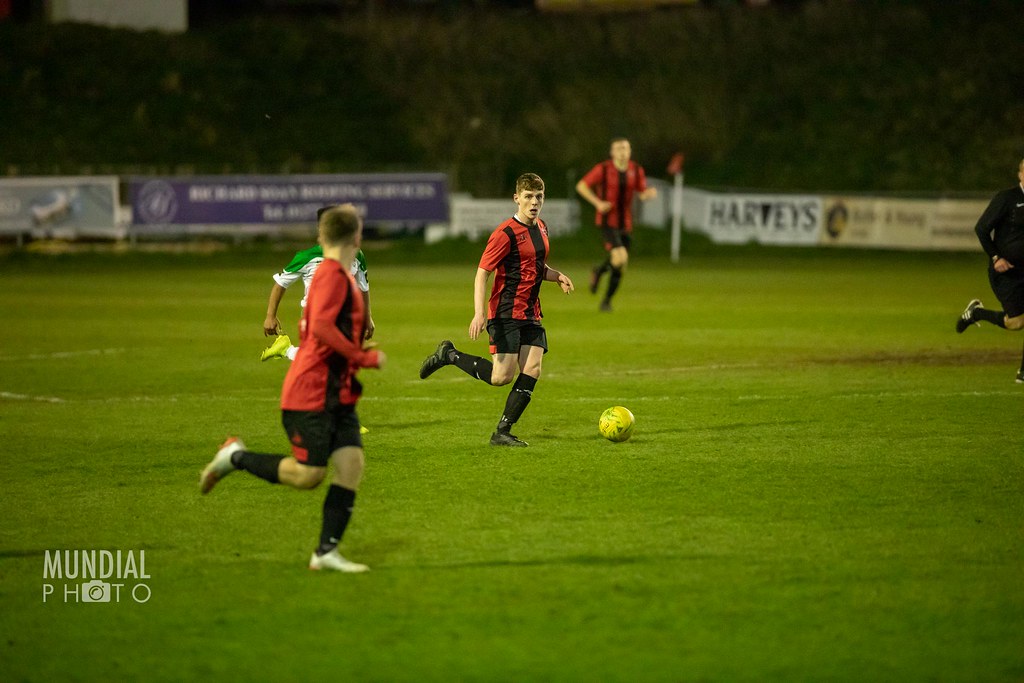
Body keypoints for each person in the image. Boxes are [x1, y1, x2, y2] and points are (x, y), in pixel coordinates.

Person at [199, 204, 385, 572]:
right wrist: (360, 356)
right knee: (309, 476)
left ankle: (325, 551)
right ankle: (235, 456)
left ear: (323, 235)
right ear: (357, 237)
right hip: (310, 392)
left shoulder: (341, 275)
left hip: (337, 388)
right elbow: (318, 328)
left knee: (351, 464)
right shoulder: (330, 276)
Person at [418, 172, 574, 447]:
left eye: (539, 196)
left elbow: (536, 267)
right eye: (528, 197)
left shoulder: (543, 228)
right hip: (505, 312)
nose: (534, 202)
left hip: (531, 312)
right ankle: (449, 354)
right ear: (516, 199)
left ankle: (502, 431)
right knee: (501, 377)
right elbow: (482, 274)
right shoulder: (504, 234)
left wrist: (556, 275)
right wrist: (479, 313)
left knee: (533, 369)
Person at [261, 205, 374, 362]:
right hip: (315, 315)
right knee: (328, 359)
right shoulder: (307, 257)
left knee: (327, 360)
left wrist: (367, 318)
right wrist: (270, 316)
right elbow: (280, 284)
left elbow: (363, 287)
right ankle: (287, 350)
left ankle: (286, 349)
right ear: (321, 229)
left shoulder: (356, 255)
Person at [955, 157, 1024, 383]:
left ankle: (1023, 373)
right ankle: (977, 313)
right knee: (1016, 323)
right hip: (1006, 273)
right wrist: (996, 258)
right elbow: (982, 228)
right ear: (1020, 175)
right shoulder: (1007, 198)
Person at [575, 137, 658, 312]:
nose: (623, 151)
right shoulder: (603, 169)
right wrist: (598, 203)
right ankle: (600, 276)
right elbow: (581, 186)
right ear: (612, 152)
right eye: (619, 148)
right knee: (621, 258)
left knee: (620, 264)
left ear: (630, 152)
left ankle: (605, 298)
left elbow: (641, 193)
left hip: (625, 223)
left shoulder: (636, 170)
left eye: (626, 148)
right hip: (607, 221)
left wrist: (648, 194)